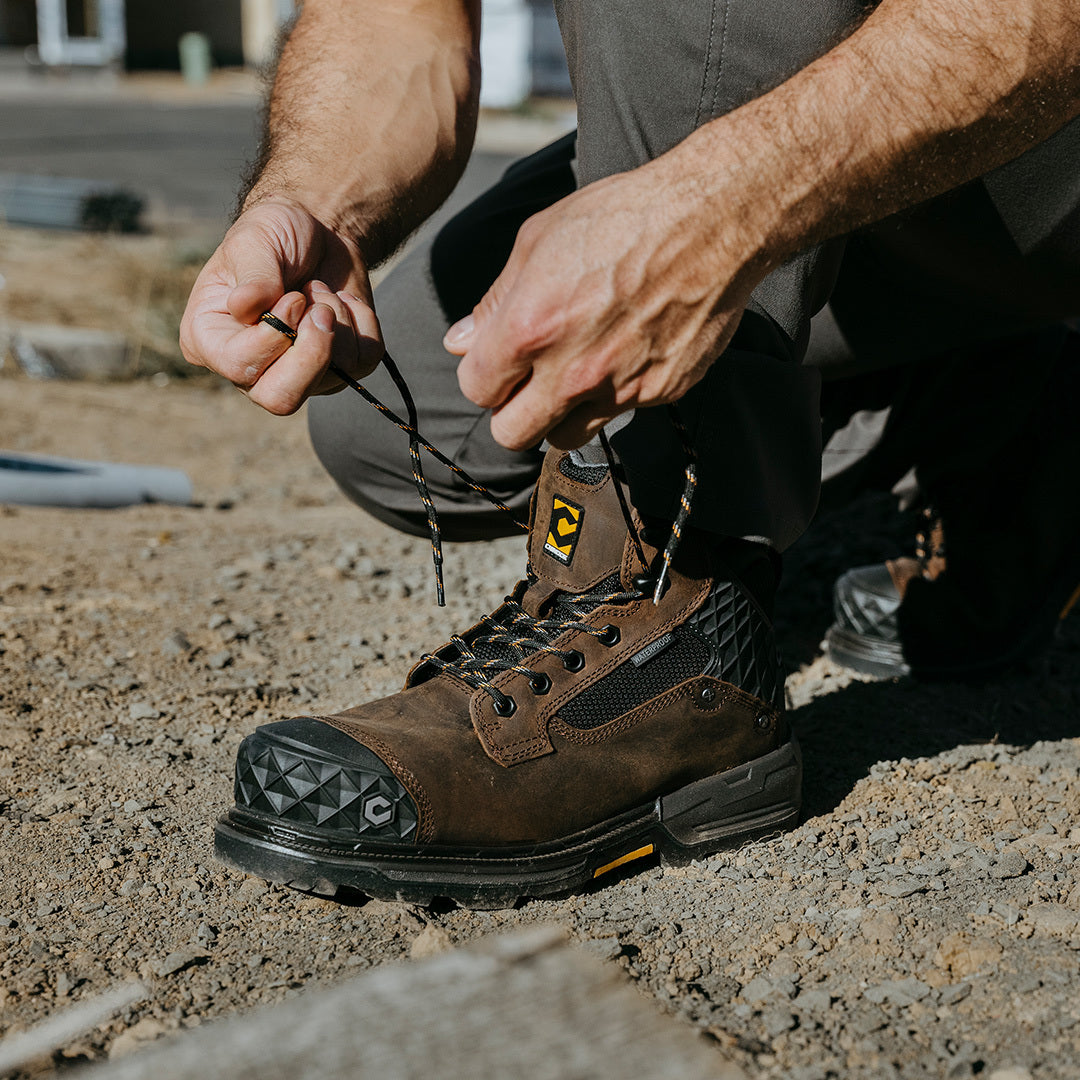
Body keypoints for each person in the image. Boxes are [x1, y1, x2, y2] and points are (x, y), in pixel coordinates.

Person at [180, 0, 1080, 906]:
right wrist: (311, 204)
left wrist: (719, 209)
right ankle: (1005, 391)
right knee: (405, 418)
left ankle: (687, 634)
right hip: (884, 167)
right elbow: (393, 25)